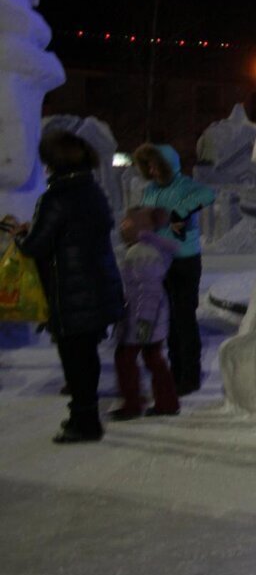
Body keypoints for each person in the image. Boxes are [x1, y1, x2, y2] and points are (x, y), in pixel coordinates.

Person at [5, 131, 124, 443]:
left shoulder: (57, 196)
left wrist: (20, 236)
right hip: (95, 287)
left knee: (75, 360)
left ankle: (83, 421)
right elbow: (75, 233)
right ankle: (86, 415)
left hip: (71, 293)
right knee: (86, 356)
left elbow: (35, 247)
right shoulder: (91, 190)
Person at [132, 143, 215, 395]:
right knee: (168, 321)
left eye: (157, 165)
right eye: (149, 166)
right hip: (159, 260)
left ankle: (190, 375)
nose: (153, 170)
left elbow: (207, 194)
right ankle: (176, 372)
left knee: (184, 319)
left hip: (183, 260)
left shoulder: (184, 185)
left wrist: (181, 212)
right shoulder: (150, 191)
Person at [109, 207, 181, 420]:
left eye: (127, 222)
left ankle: (133, 404)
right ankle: (166, 402)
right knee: (153, 358)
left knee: (125, 359)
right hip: (148, 318)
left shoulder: (141, 252)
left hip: (142, 319)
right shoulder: (148, 249)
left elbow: (148, 292)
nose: (122, 225)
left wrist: (143, 323)